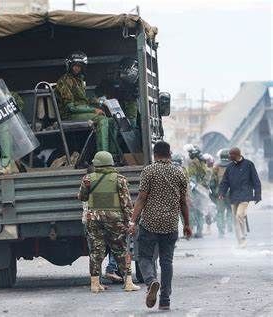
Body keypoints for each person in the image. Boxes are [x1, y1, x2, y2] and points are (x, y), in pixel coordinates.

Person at [128, 141, 191, 310]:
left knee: (145, 257)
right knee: (166, 262)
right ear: (169, 154)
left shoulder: (149, 171)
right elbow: (184, 202)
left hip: (150, 223)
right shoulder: (179, 173)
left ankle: (151, 281)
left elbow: (141, 198)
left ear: (154, 154)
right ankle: (165, 301)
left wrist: (133, 221)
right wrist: (187, 224)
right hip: (170, 224)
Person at [78, 151, 140, 293]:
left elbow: (82, 197)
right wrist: (131, 222)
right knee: (120, 249)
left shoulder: (87, 179)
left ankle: (95, 284)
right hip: (115, 220)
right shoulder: (119, 179)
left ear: (96, 163)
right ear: (111, 162)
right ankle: (128, 282)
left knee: (96, 251)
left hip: (93, 218)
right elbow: (126, 203)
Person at [55, 51, 123, 161]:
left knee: (112, 121)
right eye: (75, 66)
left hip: (79, 112)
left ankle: (113, 156)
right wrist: (93, 109)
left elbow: (82, 100)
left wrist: (98, 101)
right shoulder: (64, 81)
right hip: (68, 115)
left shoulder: (78, 81)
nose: (77, 68)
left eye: (80, 66)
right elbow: (71, 107)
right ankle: (103, 159)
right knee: (102, 120)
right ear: (70, 66)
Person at [219, 147, 261, 248]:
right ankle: (240, 242)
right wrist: (222, 193)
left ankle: (243, 236)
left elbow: (256, 180)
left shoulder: (249, 164)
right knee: (235, 220)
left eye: (231, 155)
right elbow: (225, 181)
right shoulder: (230, 167)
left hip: (245, 195)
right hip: (234, 196)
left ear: (237, 155)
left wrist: (258, 195)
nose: (229, 157)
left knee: (239, 215)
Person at [209, 149, 233, 238]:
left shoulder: (216, 167)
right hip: (231, 192)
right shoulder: (234, 166)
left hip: (220, 192)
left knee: (220, 212)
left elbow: (212, 182)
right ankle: (230, 227)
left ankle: (221, 231)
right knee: (230, 210)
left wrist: (213, 193)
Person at [186, 145, 208, 238]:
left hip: (195, 190)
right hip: (203, 189)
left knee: (192, 210)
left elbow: (192, 177)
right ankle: (200, 231)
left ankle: (191, 231)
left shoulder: (192, 163)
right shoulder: (202, 162)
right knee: (200, 211)